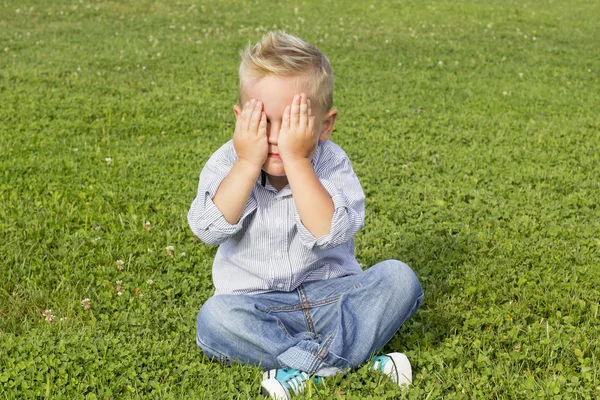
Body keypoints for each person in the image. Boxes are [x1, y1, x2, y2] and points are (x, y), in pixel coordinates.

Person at [188, 31, 424, 399]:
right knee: (214, 319)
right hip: (257, 305)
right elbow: (207, 228)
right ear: (240, 119)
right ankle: (346, 361)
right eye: (263, 122)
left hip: (333, 297)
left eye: (293, 123)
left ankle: (301, 368)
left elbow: (329, 232)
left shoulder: (333, 163)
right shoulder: (227, 160)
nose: (277, 138)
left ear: (324, 126)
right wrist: (248, 163)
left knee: (400, 278)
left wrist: (298, 162)